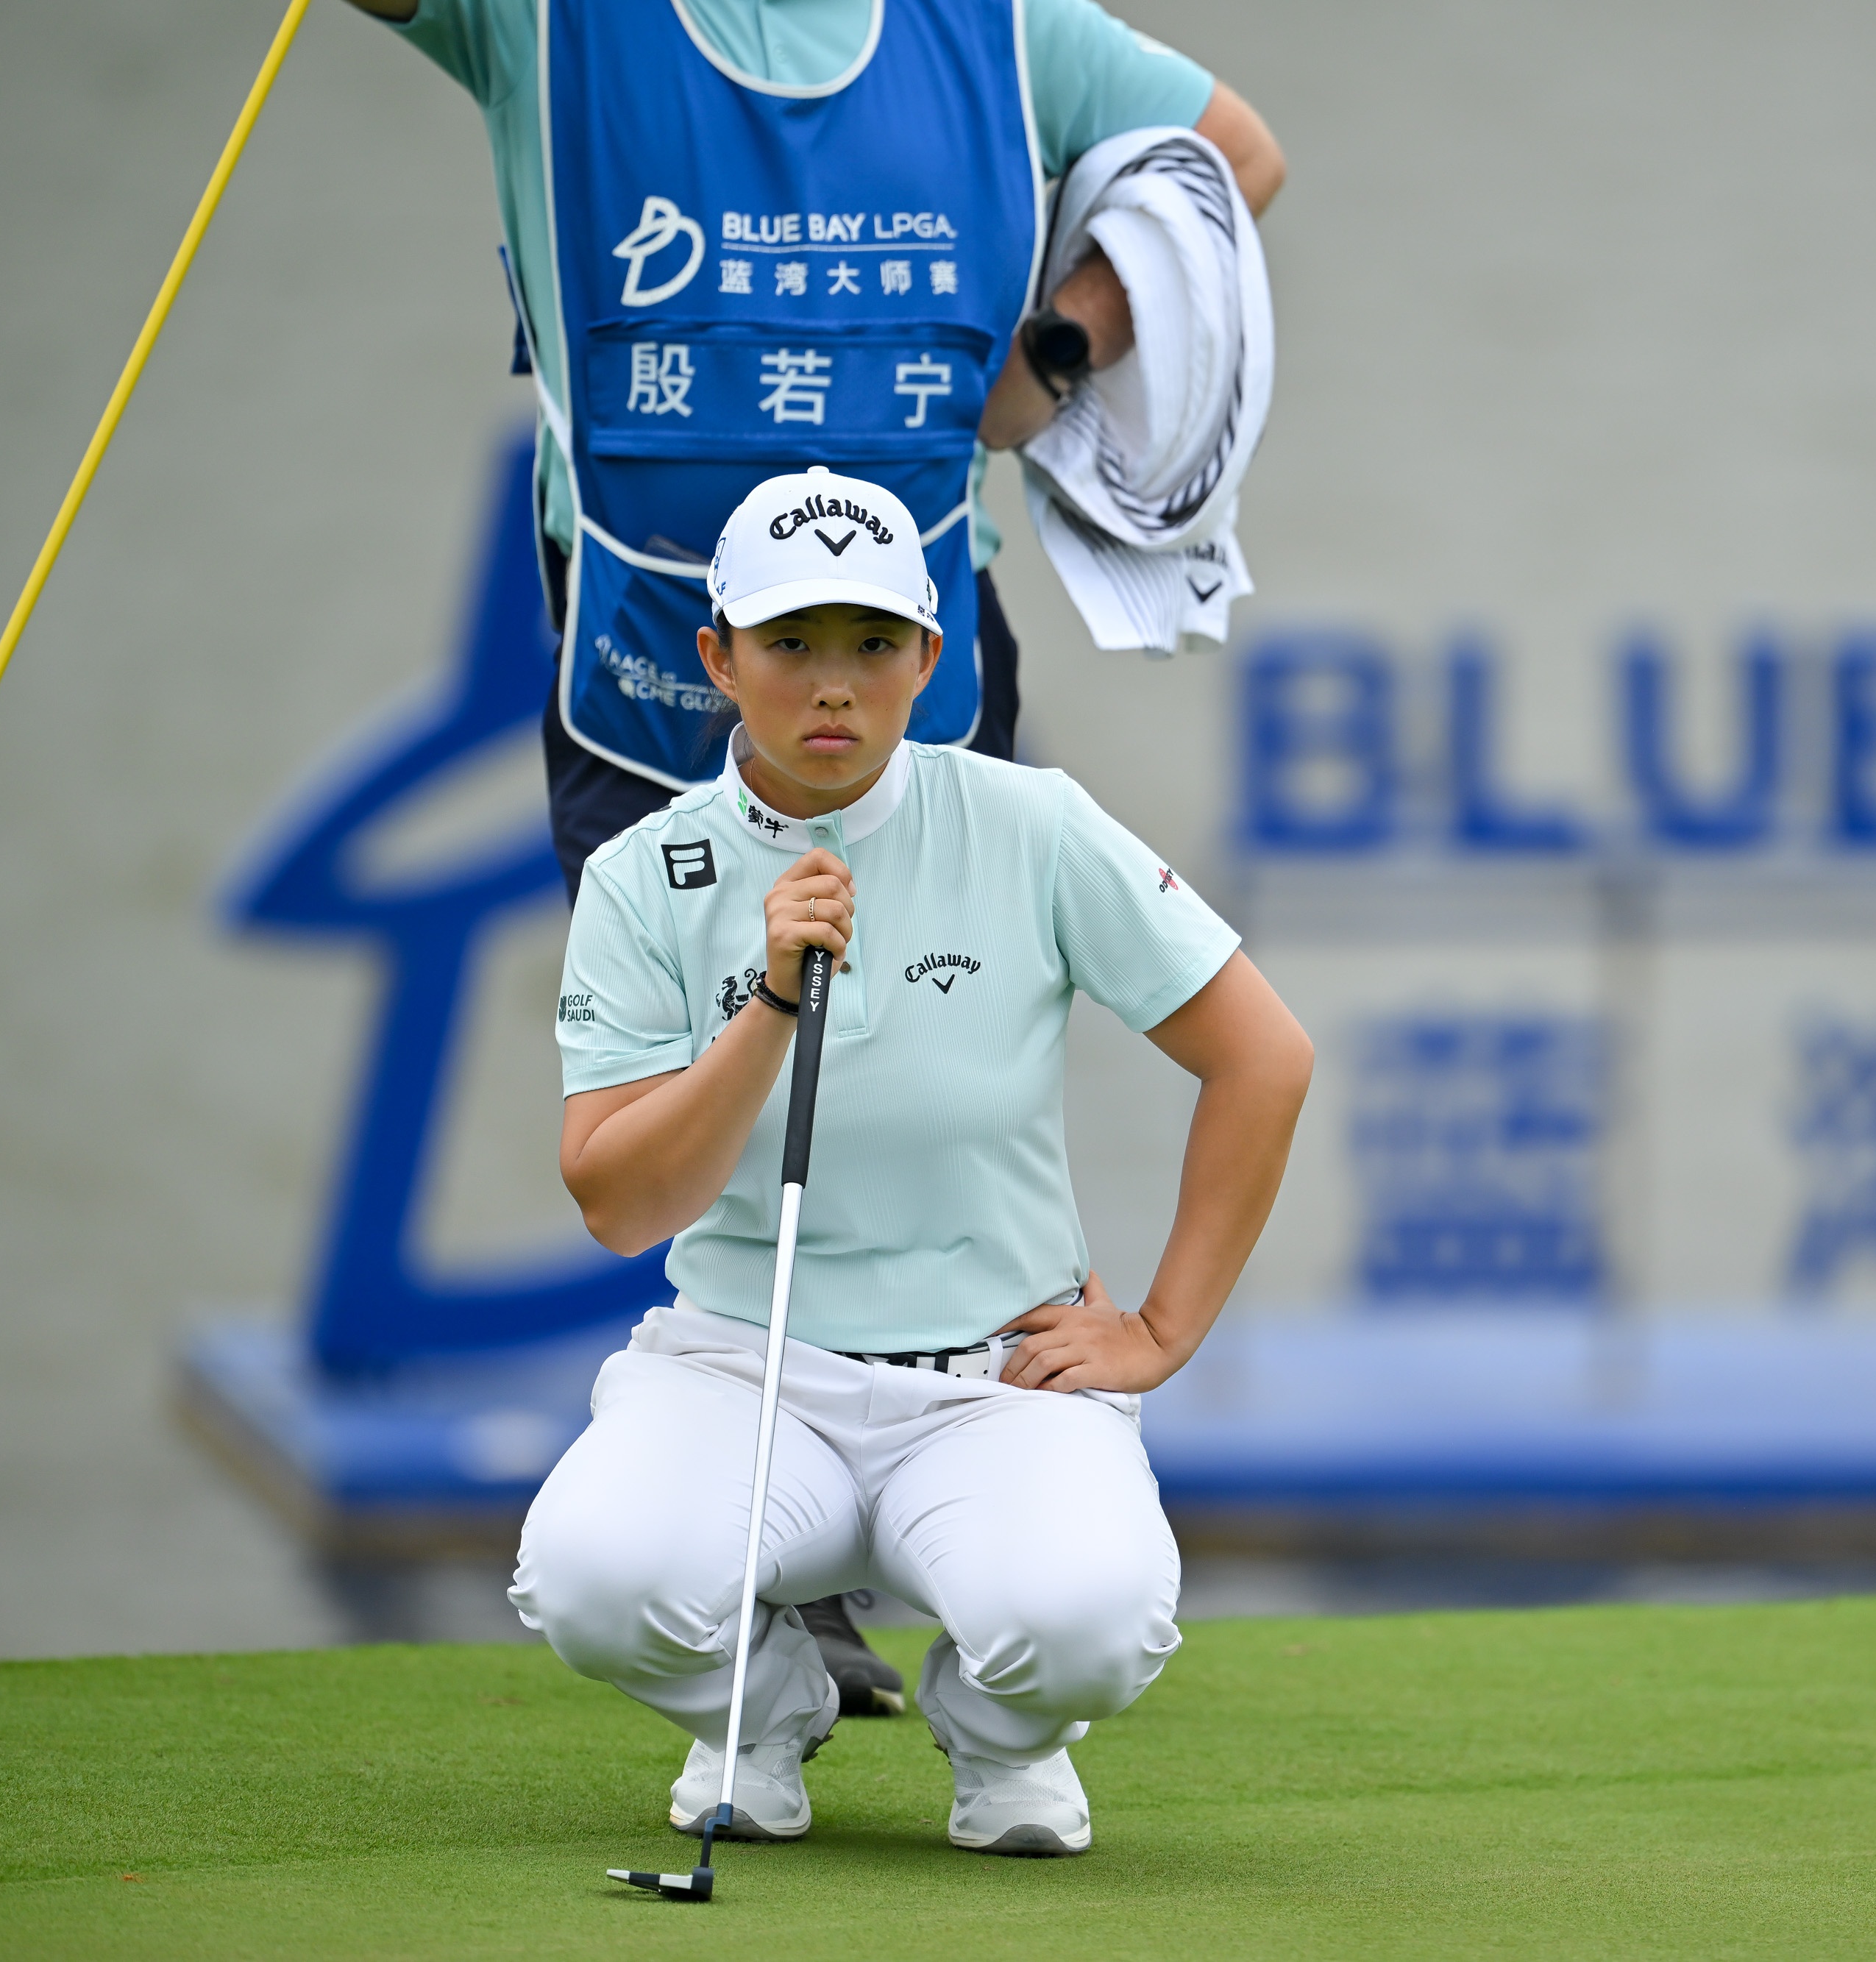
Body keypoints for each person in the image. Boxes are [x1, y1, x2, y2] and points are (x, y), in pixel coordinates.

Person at [348, 0, 1285, 1710]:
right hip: (642, 666)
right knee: (697, 1095)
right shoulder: (543, 19)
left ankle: (976, 1510)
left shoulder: (998, 27)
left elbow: (1232, 156)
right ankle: (768, 1564)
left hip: (929, 651)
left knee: (924, 1070)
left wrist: (1051, 355)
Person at [514, 466, 1311, 1852]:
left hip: (995, 1378)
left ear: (930, 660)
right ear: (719, 658)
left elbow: (1265, 1058)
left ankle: (999, 1737)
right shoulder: (647, 875)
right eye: (791, 643)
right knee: (594, 1580)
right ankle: (764, 1711)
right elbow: (620, 1204)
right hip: (744, 1369)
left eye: (873, 643)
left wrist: (1162, 1330)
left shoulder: (1030, 824)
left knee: (1090, 1626)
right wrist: (770, 1005)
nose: (835, 686)